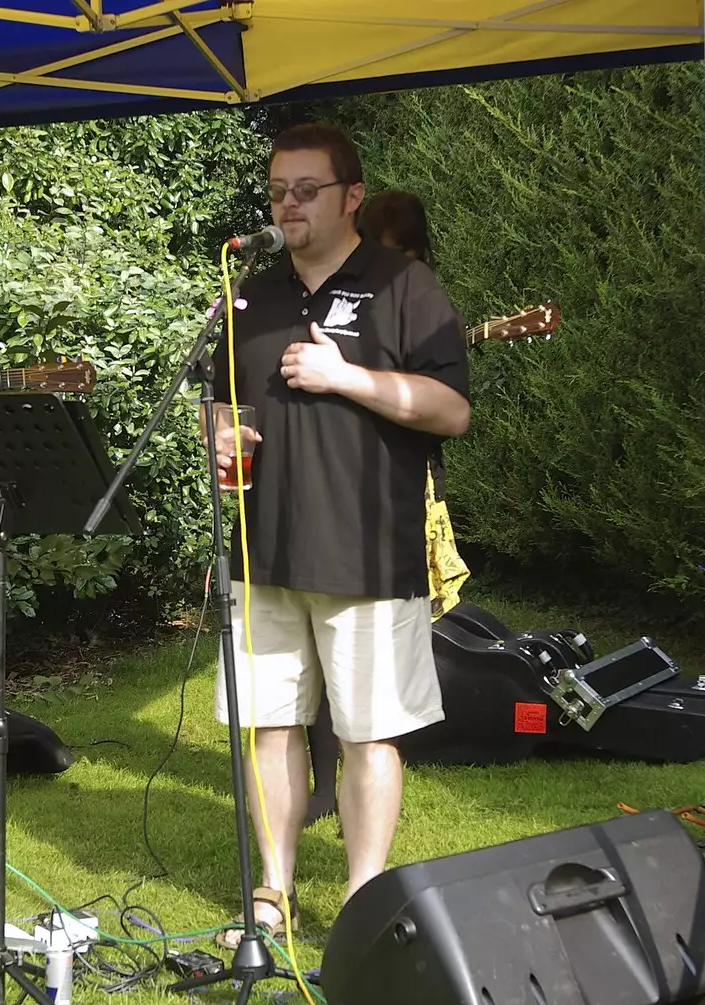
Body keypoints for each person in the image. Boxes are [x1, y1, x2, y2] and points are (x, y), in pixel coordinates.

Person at [207, 124, 471, 948]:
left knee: (366, 732)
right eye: (279, 188)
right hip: (266, 549)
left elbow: (452, 410)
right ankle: (273, 892)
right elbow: (222, 402)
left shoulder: (404, 287)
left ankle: (363, 899)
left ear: (351, 197)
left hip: (366, 549)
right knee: (273, 724)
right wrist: (218, 436)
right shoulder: (248, 295)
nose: (287, 203)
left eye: (305, 189)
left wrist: (345, 377)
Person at [302, 189, 469, 827]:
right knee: (316, 658)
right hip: (319, 502)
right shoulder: (318, 299)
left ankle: (360, 776)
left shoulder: (417, 305)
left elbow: (445, 413)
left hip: (392, 499)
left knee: (368, 668)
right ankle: (324, 786)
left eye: (400, 254)